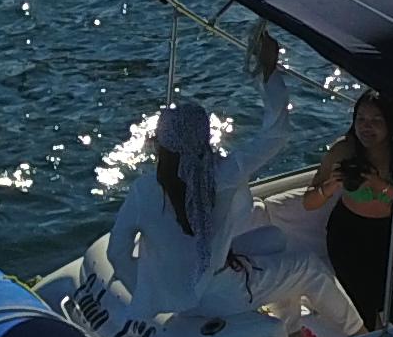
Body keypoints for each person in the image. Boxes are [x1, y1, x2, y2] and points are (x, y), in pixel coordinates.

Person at [107, 24, 307, 320]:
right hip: (218, 291)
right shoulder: (223, 175)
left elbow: (117, 253)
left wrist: (151, 291)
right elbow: (275, 134)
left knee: (275, 237)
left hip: (171, 298)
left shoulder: (145, 189)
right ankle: (357, 332)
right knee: (309, 267)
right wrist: (269, 71)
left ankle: (289, 327)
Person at [304, 86, 393, 330]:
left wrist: (382, 186)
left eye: (376, 120)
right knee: (361, 299)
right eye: (361, 119)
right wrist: (330, 186)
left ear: (391, 124)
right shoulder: (344, 150)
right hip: (350, 231)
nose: (367, 127)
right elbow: (309, 202)